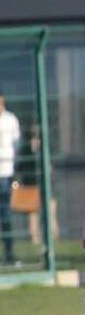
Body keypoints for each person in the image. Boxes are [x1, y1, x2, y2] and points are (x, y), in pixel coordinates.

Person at [0, 93, 16, 264]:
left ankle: (9, 253)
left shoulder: (10, 119)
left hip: (5, 172)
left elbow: (16, 143)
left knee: (5, 214)